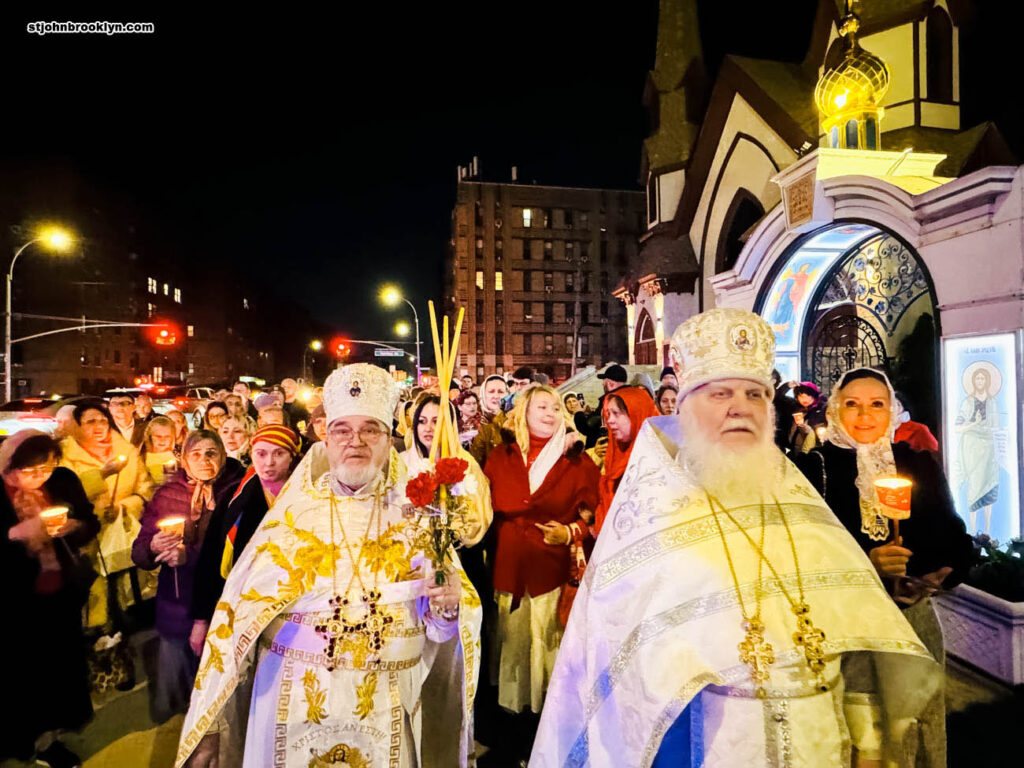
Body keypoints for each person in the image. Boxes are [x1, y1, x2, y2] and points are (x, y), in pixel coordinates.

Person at [532, 309, 943, 768]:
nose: (740, 407)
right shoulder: (652, 516)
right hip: (708, 749)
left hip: (821, 746)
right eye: (720, 393)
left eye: (754, 394)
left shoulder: (802, 504)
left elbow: (852, 633)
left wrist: (868, 741)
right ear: (685, 408)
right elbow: (627, 683)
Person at [178, 363, 481, 768]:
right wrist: (213, 724)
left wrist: (447, 608)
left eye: (370, 430)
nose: (355, 441)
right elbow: (239, 619)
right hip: (292, 699)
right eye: (342, 430)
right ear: (326, 438)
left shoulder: (417, 516)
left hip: (386, 700)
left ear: (389, 439)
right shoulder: (291, 518)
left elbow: (442, 633)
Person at [484, 385, 599, 761]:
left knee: (548, 649)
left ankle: (550, 732)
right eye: (542, 407)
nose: (551, 413)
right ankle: (514, 734)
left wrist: (570, 531)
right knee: (513, 647)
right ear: (524, 413)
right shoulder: (501, 456)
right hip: (510, 566)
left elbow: (594, 515)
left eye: (555, 407)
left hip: (552, 570)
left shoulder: (576, 459)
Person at [0, 431, 99, 768]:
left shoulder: (63, 480)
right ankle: (23, 739)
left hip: (61, 593)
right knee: (22, 674)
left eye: (47, 467)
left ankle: (50, 739)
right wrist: (15, 534)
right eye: (29, 471)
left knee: (58, 669)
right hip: (15, 601)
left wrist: (73, 527)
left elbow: (89, 521)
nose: (40, 477)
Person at [132, 431, 243, 723]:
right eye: (196, 454)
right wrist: (153, 547)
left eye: (211, 453)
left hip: (219, 601)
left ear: (223, 456)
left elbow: (231, 551)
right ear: (183, 459)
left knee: (215, 678)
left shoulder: (237, 492)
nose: (204, 460)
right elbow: (139, 551)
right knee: (178, 675)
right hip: (177, 600)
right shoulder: (167, 494)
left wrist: (187, 556)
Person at [191, 425, 303, 645]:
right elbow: (211, 554)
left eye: (279, 453)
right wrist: (201, 619)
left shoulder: (307, 496)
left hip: (294, 602)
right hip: (243, 599)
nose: (268, 462)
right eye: (261, 453)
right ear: (251, 455)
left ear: (292, 457)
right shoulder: (234, 497)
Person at [61, 400, 155, 631]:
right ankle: (97, 633)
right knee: (95, 597)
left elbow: (145, 489)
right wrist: (101, 475)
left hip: (120, 535)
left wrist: (125, 506)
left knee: (123, 594)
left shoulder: (126, 451)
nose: (99, 426)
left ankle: (123, 629)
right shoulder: (65, 456)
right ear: (77, 426)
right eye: (90, 422)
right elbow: (66, 495)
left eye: (103, 421)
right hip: (87, 540)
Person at [594, 386, 659, 535]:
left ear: (637, 414)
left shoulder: (656, 464)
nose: (610, 420)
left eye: (616, 413)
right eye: (608, 414)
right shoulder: (613, 459)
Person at [469, 374, 510, 467]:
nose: (496, 396)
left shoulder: (514, 421)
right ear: (483, 394)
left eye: (501, 392)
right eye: (491, 392)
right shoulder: (471, 421)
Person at [142, 415, 180, 484]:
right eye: (158, 436)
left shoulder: (178, 462)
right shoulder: (140, 458)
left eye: (167, 437)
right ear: (150, 436)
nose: (162, 440)